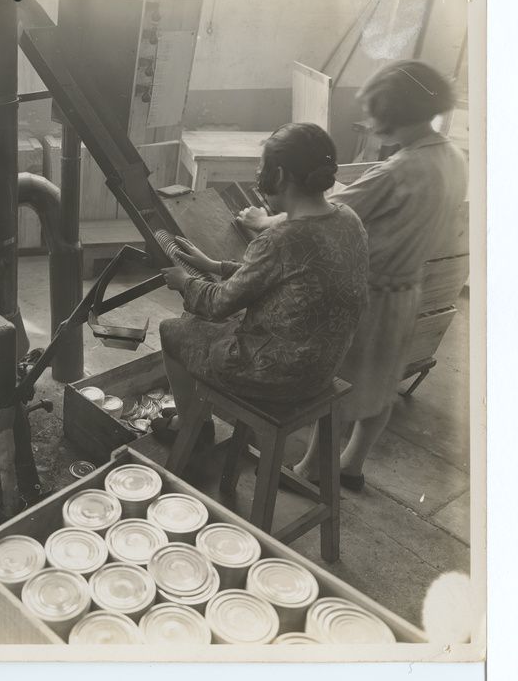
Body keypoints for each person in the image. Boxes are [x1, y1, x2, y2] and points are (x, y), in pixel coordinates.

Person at [239, 60, 467, 491]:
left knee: (336, 383)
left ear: (392, 114)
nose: (370, 121)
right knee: (382, 383)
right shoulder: (452, 157)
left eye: (376, 111)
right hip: (407, 291)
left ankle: (309, 472)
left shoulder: (395, 172)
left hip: (367, 292)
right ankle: (351, 465)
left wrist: (262, 221)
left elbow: (322, 215)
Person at [156, 122, 369, 447]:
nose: (259, 174)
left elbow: (218, 306)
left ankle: (192, 429)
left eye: (262, 167)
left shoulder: (280, 238)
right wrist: (215, 266)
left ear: (280, 175)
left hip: (277, 377)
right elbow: (283, 276)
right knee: (203, 324)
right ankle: (200, 416)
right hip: (323, 367)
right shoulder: (348, 218)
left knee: (172, 330)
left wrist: (184, 282)